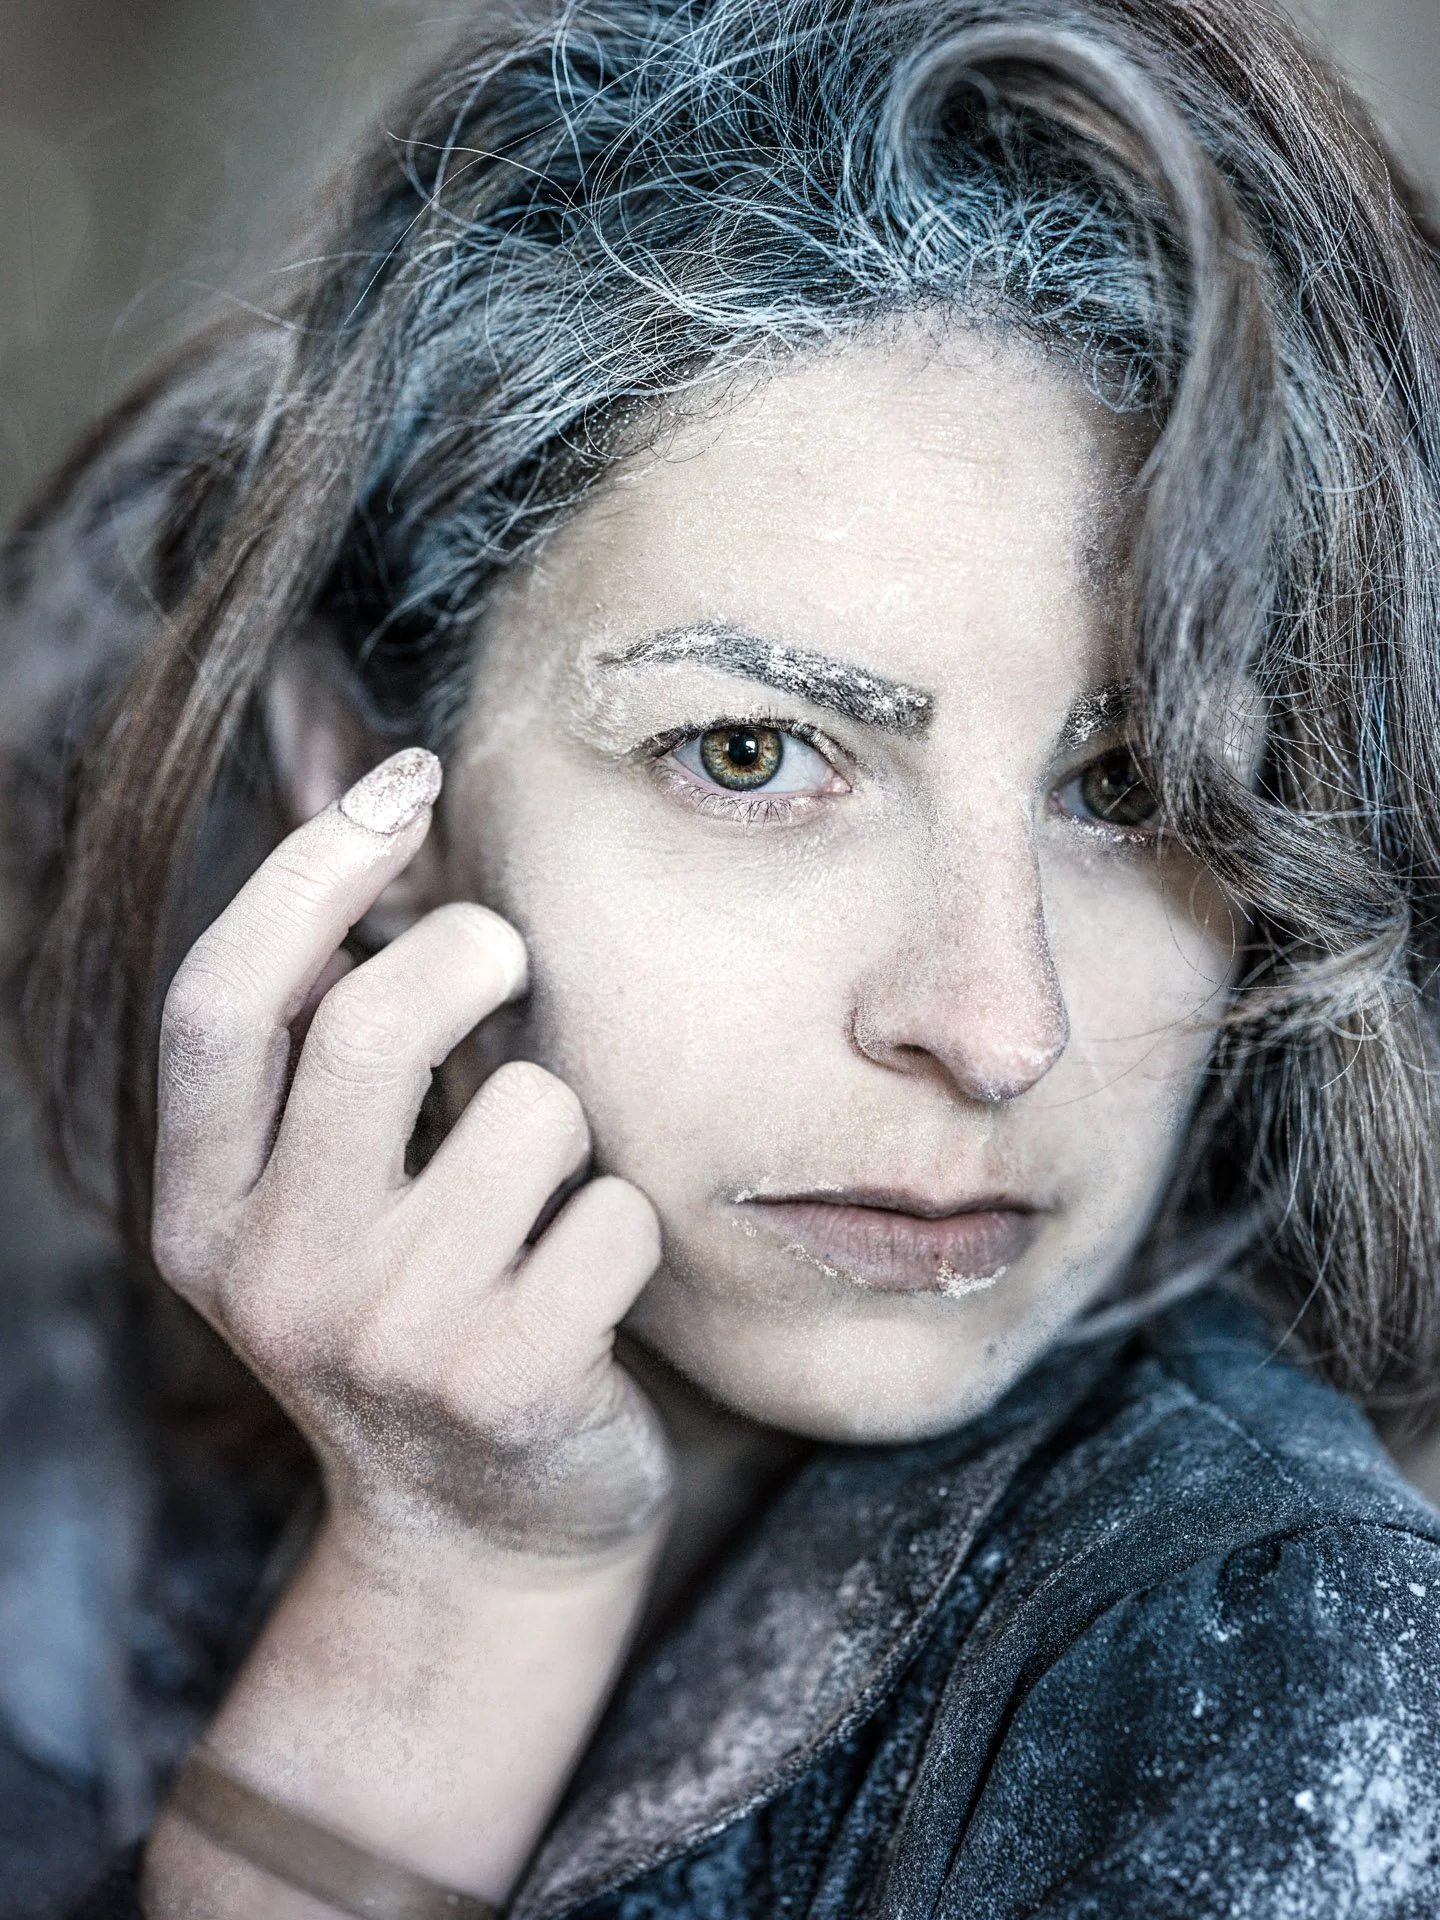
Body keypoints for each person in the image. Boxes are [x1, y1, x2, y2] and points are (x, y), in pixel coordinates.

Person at [5, 0, 1440, 1912]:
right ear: (371, 787)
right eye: (755, 754)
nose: (995, 1026)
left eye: (1130, 788)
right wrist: (456, 1568)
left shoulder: (1272, 1667)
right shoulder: (61, 1453)